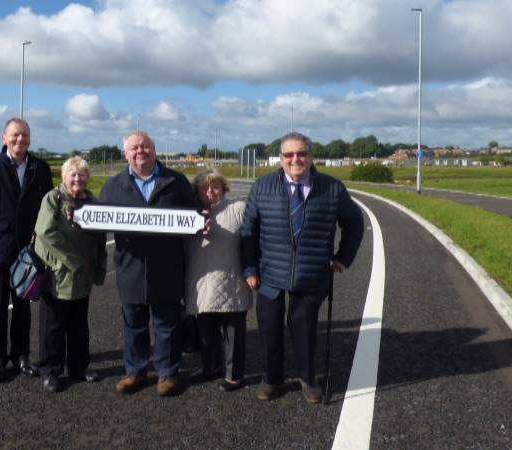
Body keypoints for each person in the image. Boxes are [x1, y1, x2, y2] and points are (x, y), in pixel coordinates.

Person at [240, 131, 364, 403]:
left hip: (311, 273)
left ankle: (308, 379)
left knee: (305, 330)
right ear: (281, 158)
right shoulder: (262, 186)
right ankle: (271, 379)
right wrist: (249, 269)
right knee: (269, 330)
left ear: (311, 157)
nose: (295, 159)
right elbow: (247, 229)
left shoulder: (332, 188)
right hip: (270, 273)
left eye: (301, 153)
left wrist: (343, 256)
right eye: (288, 154)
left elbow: (354, 223)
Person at [99, 130, 198, 397]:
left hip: (167, 267)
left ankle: (167, 373)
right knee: (134, 323)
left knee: (167, 324)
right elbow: (98, 220)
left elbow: (193, 217)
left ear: (154, 150)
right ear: (126, 154)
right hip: (130, 267)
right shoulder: (113, 185)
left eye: (145, 147)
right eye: (134, 148)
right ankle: (136, 371)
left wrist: (201, 223)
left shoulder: (175, 181)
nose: (140, 151)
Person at [0, 117, 53, 382]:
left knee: (23, 306)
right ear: (4, 138)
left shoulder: (40, 168)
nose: (21, 140)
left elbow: (48, 209)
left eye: (25, 136)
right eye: (15, 135)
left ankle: (21, 355)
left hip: (29, 250)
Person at [33, 156, 107, 393]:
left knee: (79, 324)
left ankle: (78, 366)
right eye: (73, 174)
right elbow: (45, 232)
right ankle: (51, 371)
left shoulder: (92, 201)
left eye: (82, 174)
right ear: (64, 177)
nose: (77, 179)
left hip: (82, 276)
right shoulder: (53, 199)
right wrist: (73, 260)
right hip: (56, 274)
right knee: (52, 326)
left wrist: (98, 266)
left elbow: (99, 239)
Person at [184, 169, 252, 392]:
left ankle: (234, 374)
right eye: (204, 187)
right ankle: (210, 367)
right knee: (206, 331)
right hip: (200, 281)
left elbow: (254, 241)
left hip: (231, 280)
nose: (210, 192)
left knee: (233, 333)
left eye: (215, 186)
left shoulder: (238, 209)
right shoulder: (187, 214)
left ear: (224, 188)